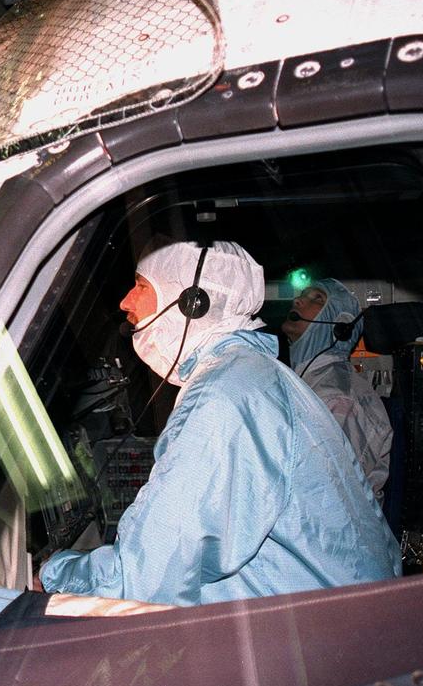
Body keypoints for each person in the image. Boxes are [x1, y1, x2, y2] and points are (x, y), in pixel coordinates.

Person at [39, 241, 399, 606]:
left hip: (319, 624)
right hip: (336, 611)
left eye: (141, 286)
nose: (125, 302)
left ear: (191, 303)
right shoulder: (250, 374)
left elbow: (144, 577)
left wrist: (53, 573)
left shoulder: (224, 393)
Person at [282, 279, 394, 502]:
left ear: (340, 327)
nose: (298, 300)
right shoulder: (305, 381)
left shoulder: (338, 396)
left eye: (317, 298)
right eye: (303, 295)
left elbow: (324, 490)